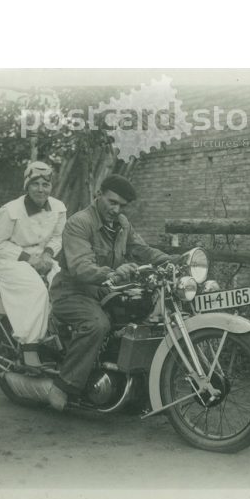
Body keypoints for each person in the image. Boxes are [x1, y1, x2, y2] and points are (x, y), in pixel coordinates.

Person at [50, 174, 171, 406]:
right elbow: (80, 267)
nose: (116, 210)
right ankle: (64, 385)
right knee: (98, 324)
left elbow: (143, 250)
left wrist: (172, 260)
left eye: (122, 206)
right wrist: (112, 273)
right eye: (112, 202)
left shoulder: (123, 225)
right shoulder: (80, 222)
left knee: (139, 317)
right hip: (72, 292)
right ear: (98, 196)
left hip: (103, 291)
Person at [0, 161, 67, 369]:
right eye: (36, 184)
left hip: (42, 258)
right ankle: (29, 347)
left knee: (63, 285)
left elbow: (57, 237)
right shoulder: (10, 210)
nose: (41, 189)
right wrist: (28, 258)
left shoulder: (58, 208)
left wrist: (48, 255)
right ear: (27, 185)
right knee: (36, 290)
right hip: (9, 259)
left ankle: (55, 336)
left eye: (46, 184)